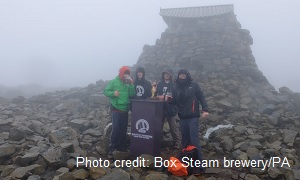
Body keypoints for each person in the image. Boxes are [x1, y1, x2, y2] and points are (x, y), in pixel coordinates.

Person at [172, 69, 209, 175]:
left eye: (183, 74)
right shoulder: (176, 87)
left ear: (187, 75)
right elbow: (174, 101)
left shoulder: (194, 85)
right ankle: (185, 163)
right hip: (182, 118)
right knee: (184, 141)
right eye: (180, 74)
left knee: (194, 141)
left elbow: (201, 97)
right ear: (178, 76)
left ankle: (199, 167)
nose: (182, 76)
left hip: (193, 117)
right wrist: (169, 100)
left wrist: (205, 109)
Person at [104, 66, 135, 157]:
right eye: (125, 73)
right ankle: (112, 147)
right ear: (121, 73)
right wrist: (113, 94)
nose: (126, 75)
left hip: (125, 109)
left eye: (128, 74)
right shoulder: (114, 81)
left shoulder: (128, 83)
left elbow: (131, 94)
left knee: (123, 129)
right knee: (116, 128)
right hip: (116, 109)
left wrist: (132, 85)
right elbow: (106, 91)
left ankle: (121, 146)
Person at [156, 69, 181, 149]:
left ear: (171, 75)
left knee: (173, 126)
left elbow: (177, 97)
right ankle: (158, 140)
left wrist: (168, 98)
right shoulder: (159, 84)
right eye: (165, 74)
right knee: (159, 125)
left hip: (171, 108)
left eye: (168, 74)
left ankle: (177, 142)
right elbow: (156, 94)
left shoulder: (174, 85)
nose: (166, 75)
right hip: (161, 108)